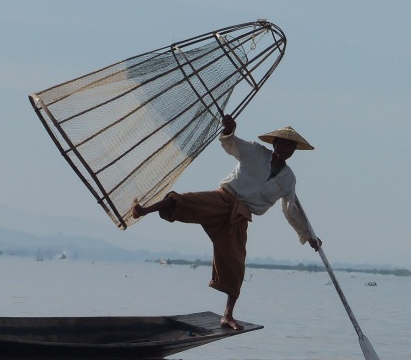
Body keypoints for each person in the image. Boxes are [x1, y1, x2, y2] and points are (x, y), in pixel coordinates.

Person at [131, 115, 322, 330]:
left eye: (291, 147)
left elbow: (291, 210)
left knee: (236, 264)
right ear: (275, 143)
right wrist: (229, 130)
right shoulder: (255, 152)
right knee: (186, 201)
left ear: (293, 151)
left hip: (241, 216)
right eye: (283, 144)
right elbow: (231, 144)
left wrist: (309, 236)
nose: (286, 149)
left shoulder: (288, 179)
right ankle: (144, 210)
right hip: (223, 198)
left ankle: (227, 316)